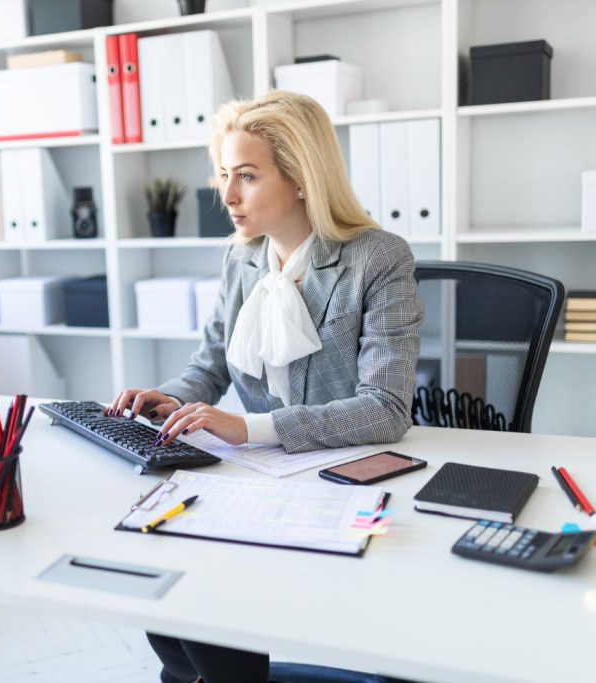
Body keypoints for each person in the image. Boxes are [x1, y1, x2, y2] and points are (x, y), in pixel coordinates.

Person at [106, 91, 424, 683]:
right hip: (260, 482)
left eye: (246, 177)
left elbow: (385, 409)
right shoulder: (242, 256)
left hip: (345, 479)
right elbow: (209, 366)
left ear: (302, 178)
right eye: (225, 175)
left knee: (209, 610)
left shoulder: (377, 259)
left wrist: (248, 428)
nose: (226, 196)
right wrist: (171, 398)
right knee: (165, 580)